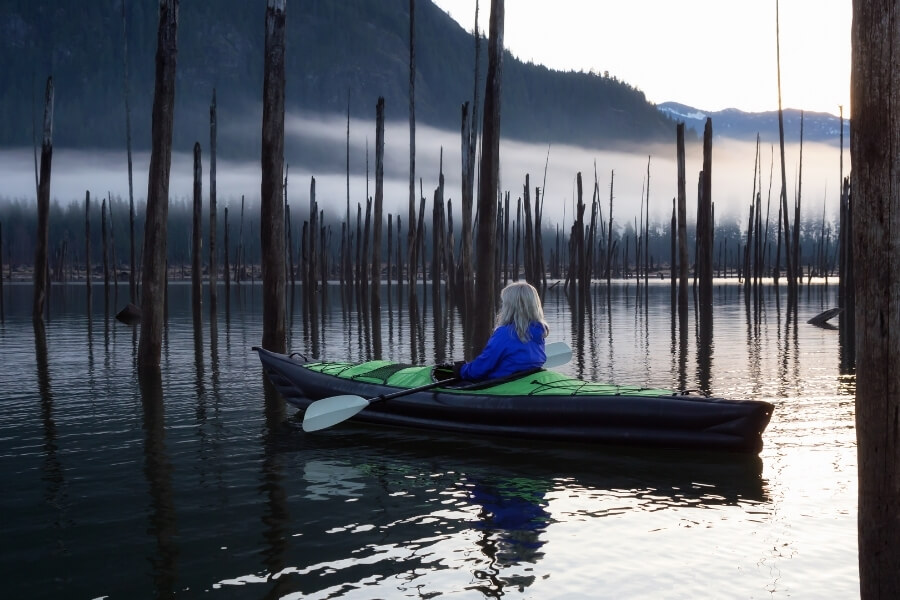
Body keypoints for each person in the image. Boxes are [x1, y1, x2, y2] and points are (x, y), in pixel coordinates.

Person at [455, 281, 549, 381]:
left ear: (510, 307)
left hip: (503, 384)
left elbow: (481, 368)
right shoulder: (539, 331)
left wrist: (461, 370)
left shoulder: (505, 334)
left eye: (504, 304)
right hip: (527, 381)